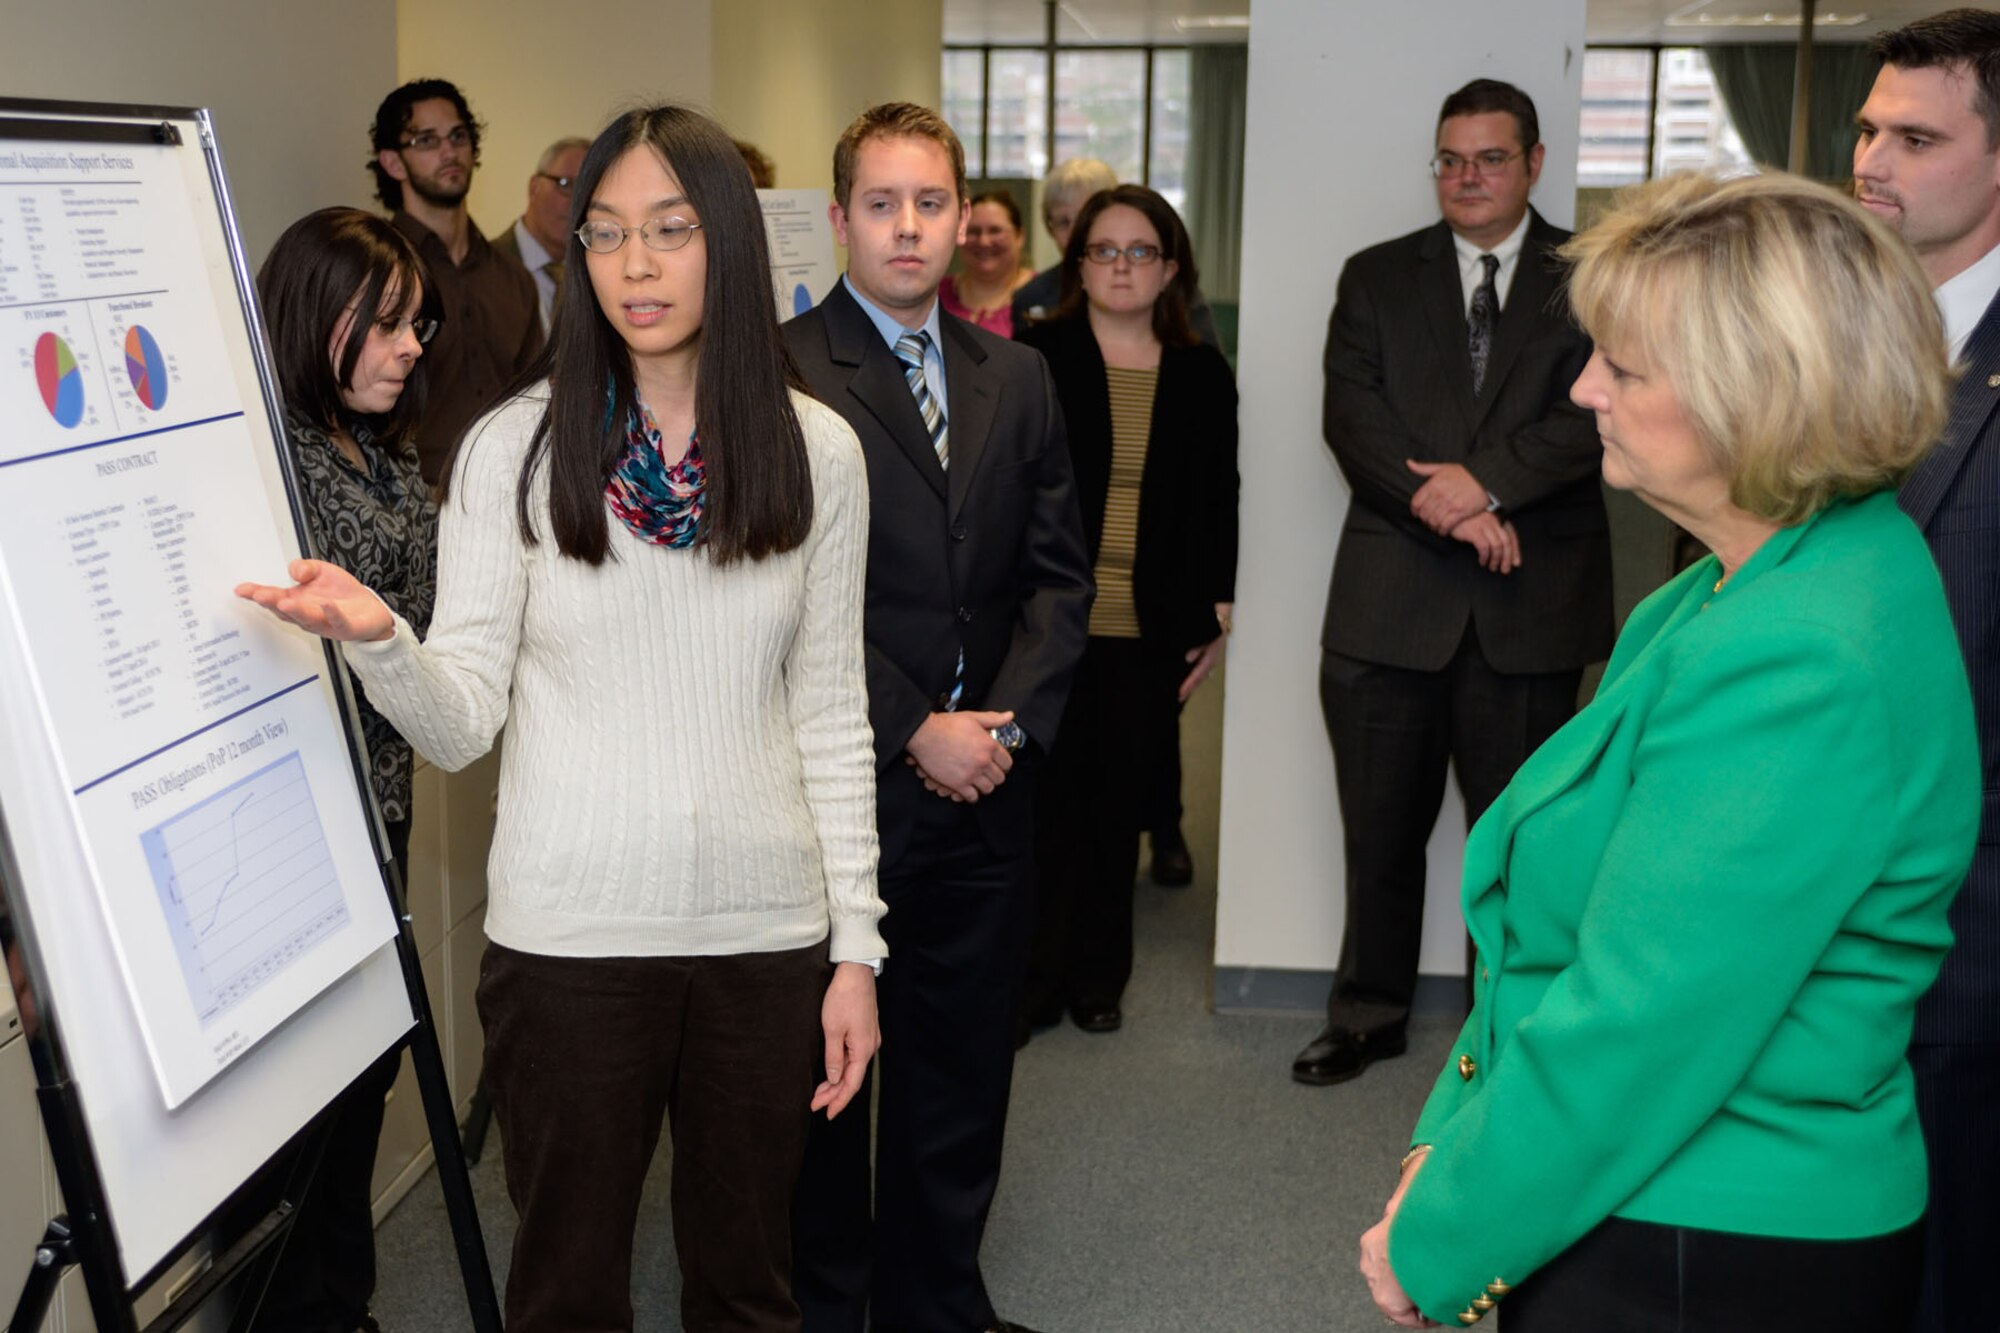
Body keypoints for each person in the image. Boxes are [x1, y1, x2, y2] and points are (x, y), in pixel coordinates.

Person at [241, 104, 886, 1333]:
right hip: (569, 946)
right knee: (566, 1295)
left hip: (768, 939)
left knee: (751, 1291)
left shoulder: (819, 454)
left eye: (670, 229)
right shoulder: (510, 451)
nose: (635, 266)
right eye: (604, 234)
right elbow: (462, 722)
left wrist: (854, 948)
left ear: (731, 245)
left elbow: (831, 715)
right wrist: (384, 642)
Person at [1358, 170, 1980, 1332]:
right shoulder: (1734, 588)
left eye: (1625, 369)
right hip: (1653, 1198)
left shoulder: (1796, 653)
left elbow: (1637, 1020)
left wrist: (1443, 1233)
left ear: (1762, 397)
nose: (1585, 388)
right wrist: (1448, 1140)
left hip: (1709, 1240)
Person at [784, 102, 1092, 1333]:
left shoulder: (1014, 375)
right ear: (838, 215)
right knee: (828, 1078)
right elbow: (777, 600)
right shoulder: (781, 370)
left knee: (959, 1070)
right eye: (881, 203)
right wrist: (917, 725)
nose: (909, 229)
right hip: (840, 787)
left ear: (961, 217)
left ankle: (935, 1306)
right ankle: (826, 1305)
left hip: (988, 784)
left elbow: (1059, 578)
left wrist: (1001, 730)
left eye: (930, 204)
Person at [1297, 78, 1612, 1088]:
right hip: (1387, 610)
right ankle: (1366, 1014)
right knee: (1376, 833)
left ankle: (1507, 1029)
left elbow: (1597, 415)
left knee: (1517, 845)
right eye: (1447, 158)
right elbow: (1354, 418)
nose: (1464, 177)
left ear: (1532, 162)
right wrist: (1456, 509)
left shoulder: (1597, 276)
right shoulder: (1375, 277)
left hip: (1531, 615)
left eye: (1485, 158)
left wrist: (1486, 485)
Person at [240, 206, 439, 1333]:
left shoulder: (386, 448)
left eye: (418, 324)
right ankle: (294, 1314)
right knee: (297, 1100)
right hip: (297, 817)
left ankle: (336, 1302)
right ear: (318, 317)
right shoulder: (271, 461)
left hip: (383, 801)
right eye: (387, 324)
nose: (412, 346)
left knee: (366, 1070)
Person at [1851, 11, 2000, 1328]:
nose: (1873, 160)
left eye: (1916, 135)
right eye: (1867, 129)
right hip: (1830, 895)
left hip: (1967, 932)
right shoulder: (1849, 334)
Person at [1017, 185, 1236, 1036]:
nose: (1120, 266)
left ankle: (1099, 978)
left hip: (1151, 627)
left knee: (1117, 811)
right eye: (1103, 250)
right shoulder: (1036, 358)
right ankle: (1034, 982)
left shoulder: (1200, 373)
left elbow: (1221, 495)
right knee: (1044, 813)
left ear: (1170, 268)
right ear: (1078, 265)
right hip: (1046, 624)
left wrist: (1219, 611)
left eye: (1139, 251)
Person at [368, 78, 544, 484]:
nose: (449, 151)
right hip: (412, 501)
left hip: (510, 494)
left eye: (458, 136)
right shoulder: (376, 272)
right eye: (426, 141)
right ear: (394, 163)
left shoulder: (512, 276)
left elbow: (536, 401)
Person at [492, 135, 591, 337]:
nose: (576, 202)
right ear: (534, 187)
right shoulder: (485, 267)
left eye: (588, 191)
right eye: (565, 184)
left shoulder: (595, 273)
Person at [938, 189, 1036, 337]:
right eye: (974, 231)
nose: (983, 242)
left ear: (1019, 236)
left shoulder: (1045, 295)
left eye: (995, 231)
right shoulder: (934, 295)